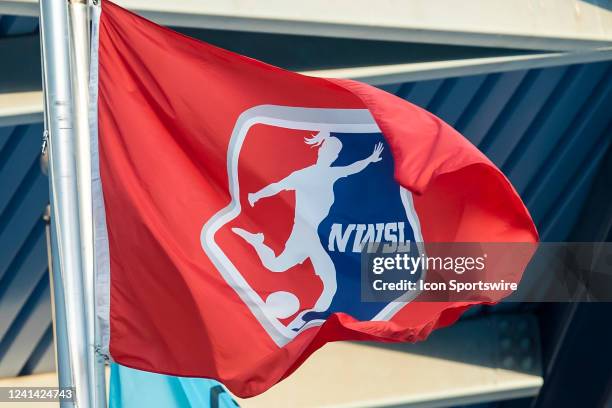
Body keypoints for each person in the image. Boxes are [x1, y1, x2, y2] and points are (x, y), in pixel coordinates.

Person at [233, 131, 384, 329]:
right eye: (328, 150)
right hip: (305, 235)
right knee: (285, 269)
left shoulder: (329, 173)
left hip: (315, 236)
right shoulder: (304, 175)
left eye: (334, 152)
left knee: (321, 280)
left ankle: (308, 321)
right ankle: (308, 322)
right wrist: (257, 195)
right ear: (321, 152)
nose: (331, 155)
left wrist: (370, 159)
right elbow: (277, 187)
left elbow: (352, 168)